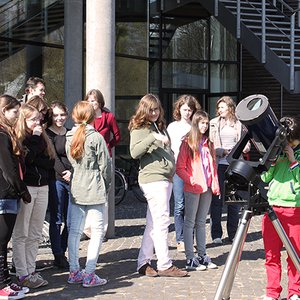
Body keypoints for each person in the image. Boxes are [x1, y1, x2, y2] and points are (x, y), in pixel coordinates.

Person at [129, 93, 188, 278]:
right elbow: (134, 152)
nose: (154, 113)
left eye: (157, 109)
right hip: (153, 179)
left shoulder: (158, 126)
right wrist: (153, 137)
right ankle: (164, 264)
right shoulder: (141, 128)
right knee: (162, 222)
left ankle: (143, 262)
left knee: (153, 223)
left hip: (164, 179)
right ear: (144, 110)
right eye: (151, 110)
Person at [65, 101, 111, 288]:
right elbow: (105, 166)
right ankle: (89, 273)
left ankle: (74, 270)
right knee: (97, 232)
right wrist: (106, 186)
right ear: (92, 116)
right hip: (94, 187)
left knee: (75, 231)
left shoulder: (69, 137)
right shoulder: (96, 138)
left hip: (77, 186)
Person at [12, 104, 55, 289]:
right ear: (24, 120)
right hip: (27, 187)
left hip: (42, 185)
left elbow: (49, 161)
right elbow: (27, 160)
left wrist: (37, 151)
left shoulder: (43, 138)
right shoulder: (21, 138)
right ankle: (22, 273)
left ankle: (31, 269)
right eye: (33, 119)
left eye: (39, 119)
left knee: (36, 232)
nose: (38, 123)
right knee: (21, 231)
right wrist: (36, 140)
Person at [261, 116, 300, 300]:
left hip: (294, 210)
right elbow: (264, 178)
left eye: (293, 141)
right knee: (271, 254)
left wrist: (293, 161)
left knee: (295, 255)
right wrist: (272, 161)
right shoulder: (276, 151)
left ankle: (295, 292)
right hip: (273, 209)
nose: (289, 144)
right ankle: (272, 292)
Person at [176, 110, 219, 271]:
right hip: (193, 188)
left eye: (207, 123)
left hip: (206, 188)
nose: (205, 126)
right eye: (202, 123)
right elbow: (179, 167)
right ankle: (190, 258)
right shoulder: (187, 142)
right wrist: (191, 180)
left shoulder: (209, 143)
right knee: (190, 222)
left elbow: (213, 167)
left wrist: (215, 184)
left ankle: (202, 254)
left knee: (201, 222)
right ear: (196, 123)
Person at [0, 95, 31, 299]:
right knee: (2, 240)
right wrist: (21, 190)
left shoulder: (6, 133)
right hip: (5, 193)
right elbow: (8, 169)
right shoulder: (2, 134)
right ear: (4, 111)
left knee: (3, 240)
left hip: (7, 193)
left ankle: (4, 281)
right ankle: (2, 284)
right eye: (14, 111)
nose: (17, 115)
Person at [209, 96, 250, 245]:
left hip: (235, 165)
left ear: (230, 108)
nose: (219, 110)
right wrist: (221, 151)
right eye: (218, 107)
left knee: (234, 201)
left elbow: (247, 144)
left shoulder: (239, 124)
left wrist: (242, 148)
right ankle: (216, 234)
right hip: (219, 164)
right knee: (217, 201)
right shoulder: (213, 123)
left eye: (222, 107)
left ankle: (233, 234)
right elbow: (209, 145)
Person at [83, 89, 120, 240]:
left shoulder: (108, 117)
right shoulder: (85, 116)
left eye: (94, 101)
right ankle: (86, 229)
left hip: (104, 159)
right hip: (88, 159)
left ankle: (101, 231)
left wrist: (107, 147)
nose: (92, 103)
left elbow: (117, 136)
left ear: (100, 102)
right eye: (90, 100)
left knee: (103, 195)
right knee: (87, 193)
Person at [167, 95, 201, 252]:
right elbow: (167, 148)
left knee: (192, 205)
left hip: (194, 168)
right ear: (178, 109)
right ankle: (180, 239)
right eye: (185, 109)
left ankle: (190, 238)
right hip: (178, 168)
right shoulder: (172, 127)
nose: (187, 113)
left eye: (190, 110)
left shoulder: (196, 127)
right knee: (179, 204)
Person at [46, 101, 72, 269]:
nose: (59, 118)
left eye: (62, 115)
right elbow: (52, 157)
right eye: (56, 115)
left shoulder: (70, 133)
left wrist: (72, 172)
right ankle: (58, 254)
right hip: (56, 179)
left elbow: (77, 155)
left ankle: (62, 250)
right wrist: (64, 173)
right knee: (56, 219)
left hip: (72, 178)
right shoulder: (48, 134)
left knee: (71, 220)